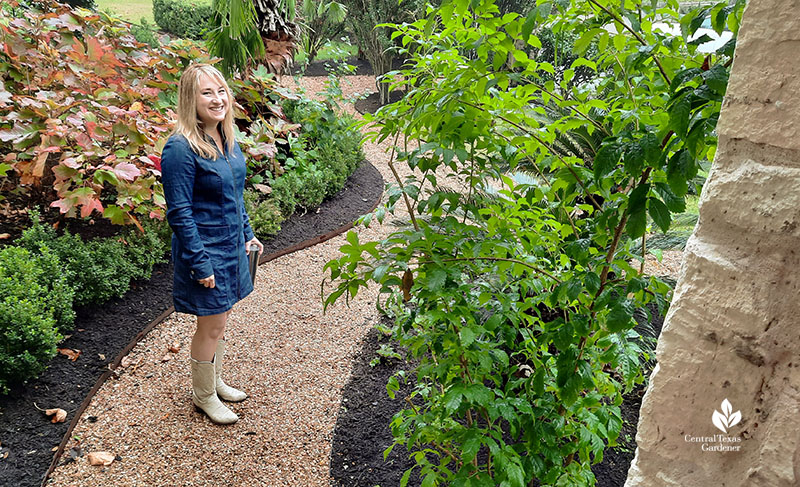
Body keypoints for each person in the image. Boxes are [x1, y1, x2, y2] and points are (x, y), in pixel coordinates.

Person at [161, 63, 263, 425]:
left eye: (221, 91)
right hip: (204, 250)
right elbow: (180, 212)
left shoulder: (226, 138)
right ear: (191, 98)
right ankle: (204, 396)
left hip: (230, 244)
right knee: (211, 325)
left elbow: (235, 194)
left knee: (220, 320)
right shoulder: (180, 148)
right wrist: (199, 263)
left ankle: (214, 381)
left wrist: (247, 232)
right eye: (207, 92)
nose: (218, 99)